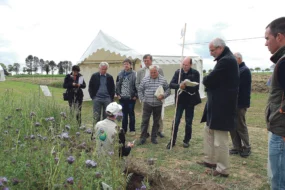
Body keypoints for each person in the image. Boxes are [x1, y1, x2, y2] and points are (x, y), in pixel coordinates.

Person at [197, 38, 239, 177]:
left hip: (222, 107)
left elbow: (209, 79)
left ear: (220, 48)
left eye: (212, 50)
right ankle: (210, 160)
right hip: (216, 105)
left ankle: (222, 169)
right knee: (208, 131)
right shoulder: (225, 60)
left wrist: (207, 81)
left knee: (220, 139)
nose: (210, 53)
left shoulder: (226, 60)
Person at [264, 17, 285, 190]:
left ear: (279, 37)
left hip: (282, 134)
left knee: (279, 183)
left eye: (267, 38)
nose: (265, 43)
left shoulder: (284, 62)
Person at [166, 56, 201, 149]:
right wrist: (179, 86)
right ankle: (172, 140)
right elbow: (171, 84)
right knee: (176, 121)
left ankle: (186, 140)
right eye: (183, 64)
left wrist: (186, 86)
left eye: (186, 65)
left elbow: (196, 87)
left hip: (190, 101)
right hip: (180, 101)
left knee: (188, 122)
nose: (184, 66)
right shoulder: (178, 72)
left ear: (190, 64)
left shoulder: (195, 73)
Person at [138, 65, 170, 145]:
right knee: (145, 121)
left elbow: (168, 90)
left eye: (154, 72)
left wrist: (163, 96)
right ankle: (143, 138)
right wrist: (143, 99)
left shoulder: (163, 80)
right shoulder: (145, 79)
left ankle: (154, 138)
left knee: (156, 122)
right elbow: (140, 90)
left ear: (157, 71)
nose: (153, 74)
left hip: (158, 104)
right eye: (151, 72)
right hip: (147, 104)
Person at [136, 54, 165, 138]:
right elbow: (137, 83)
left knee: (158, 116)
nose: (146, 62)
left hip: (157, 97)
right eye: (144, 61)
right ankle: (146, 132)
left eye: (147, 60)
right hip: (146, 98)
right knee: (145, 116)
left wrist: (160, 94)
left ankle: (159, 131)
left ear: (151, 60)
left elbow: (163, 82)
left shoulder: (158, 69)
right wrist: (141, 94)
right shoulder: (140, 71)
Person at [229, 52, 252, 157]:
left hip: (240, 103)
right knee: (232, 126)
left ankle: (247, 147)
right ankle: (237, 147)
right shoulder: (237, 70)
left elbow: (236, 86)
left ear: (238, 59)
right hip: (233, 103)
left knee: (240, 125)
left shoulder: (244, 71)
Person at [116, 58, 137, 136]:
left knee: (131, 114)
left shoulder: (134, 74)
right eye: (124, 64)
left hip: (131, 97)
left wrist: (136, 95)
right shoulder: (120, 73)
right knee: (124, 114)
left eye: (127, 64)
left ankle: (132, 130)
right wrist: (118, 94)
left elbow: (137, 85)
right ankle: (124, 129)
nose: (126, 65)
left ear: (130, 65)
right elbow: (117, 84)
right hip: (122, 97)